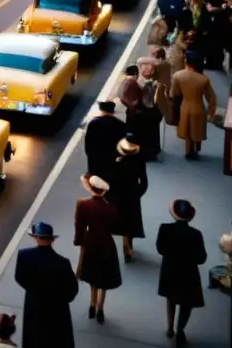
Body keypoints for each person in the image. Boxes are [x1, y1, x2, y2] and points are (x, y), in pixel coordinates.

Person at [14, 222, 78, 348]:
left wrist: (33, 290)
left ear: (35, 237)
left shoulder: (24, 256)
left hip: (34, 307)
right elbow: (72, 290)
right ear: (52, 240)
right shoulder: (63, 263)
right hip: (57, 312)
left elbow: (19, 277)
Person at [157, 199, 208, 346]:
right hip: (188, 274)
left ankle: (169, 327)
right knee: (186, 304)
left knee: (170, 298)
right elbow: (201, 258)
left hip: (169, 270)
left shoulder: (164, 229)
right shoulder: (196, 235)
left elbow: (160, 248)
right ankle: (180, 329)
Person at [73, 174, 121, 324]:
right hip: (107, 243)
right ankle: (101, 307)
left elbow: (79, 226)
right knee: (104, 278)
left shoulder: (82, 204)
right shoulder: (111, 209)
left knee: (92, 275)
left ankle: (92, 305)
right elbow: (114, 227)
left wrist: (78, 241)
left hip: (90, 242)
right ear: (103, 191)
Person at [171, 52, 218, 159]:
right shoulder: (203, 79)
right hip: (198, 106)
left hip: (185, 106)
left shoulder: (178, 76)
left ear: (186, 61)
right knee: (197, 129)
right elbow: (211, 98)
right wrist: (211, 112)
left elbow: (174, 94)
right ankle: (197, 148)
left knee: (187, 131)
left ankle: (188, 151)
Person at [110, 135, 148, 263]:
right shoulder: (139, 162)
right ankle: (129, 245)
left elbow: (111, 181)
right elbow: (144, 182)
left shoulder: (117, 163)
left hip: (119, 195)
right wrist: (138, 194)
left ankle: (126, 247)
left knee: (121, 221)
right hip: (132, 196)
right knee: (131, 220)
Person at [84, 100, 126, 184]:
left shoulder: (94, 124)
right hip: (112, 162)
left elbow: (88, 146)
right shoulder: (121, 125)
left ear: (102, 110)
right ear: (113, 111)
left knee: (97, 186)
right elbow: (123, 147)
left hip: (95, 162)